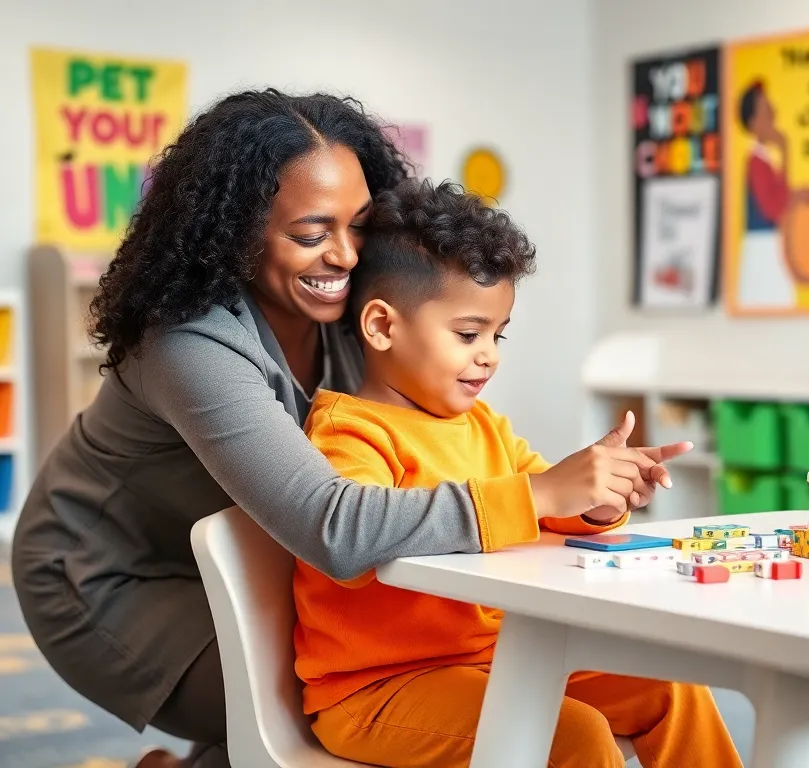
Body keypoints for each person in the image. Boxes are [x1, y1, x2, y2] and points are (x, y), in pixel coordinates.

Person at [12, 89, 677, 768]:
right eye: (311, 233)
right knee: (318, 695)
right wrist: (535, 495)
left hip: (254, 545)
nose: (346, 255)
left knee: (346, 678)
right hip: (106, 574)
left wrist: (584, 492)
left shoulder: (352, 312)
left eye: (359, 225)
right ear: (237, 232)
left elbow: (438, 441)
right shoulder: (189, 344)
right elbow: (332, 525)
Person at [292, 178, 741, 768]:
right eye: (468, 333)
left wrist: (602, 497)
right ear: (381, 326)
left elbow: (548, 504)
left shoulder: (485, 428)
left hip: (503, 659)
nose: (490, 355)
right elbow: (355, 552)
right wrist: (544, 490)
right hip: (378, 689)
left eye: (498, 335)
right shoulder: (348, 435)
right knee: (571, 734)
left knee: (671, 687)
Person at [737, 80, 809, 308]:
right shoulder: (755, 162)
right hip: (763, 251)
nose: (774, 112)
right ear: (754, 122)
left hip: (772, 249)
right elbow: (774, 208)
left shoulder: (764, 161)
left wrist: (798, 195)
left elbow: (777, 196)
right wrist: (786, 151)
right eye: (766, 109)